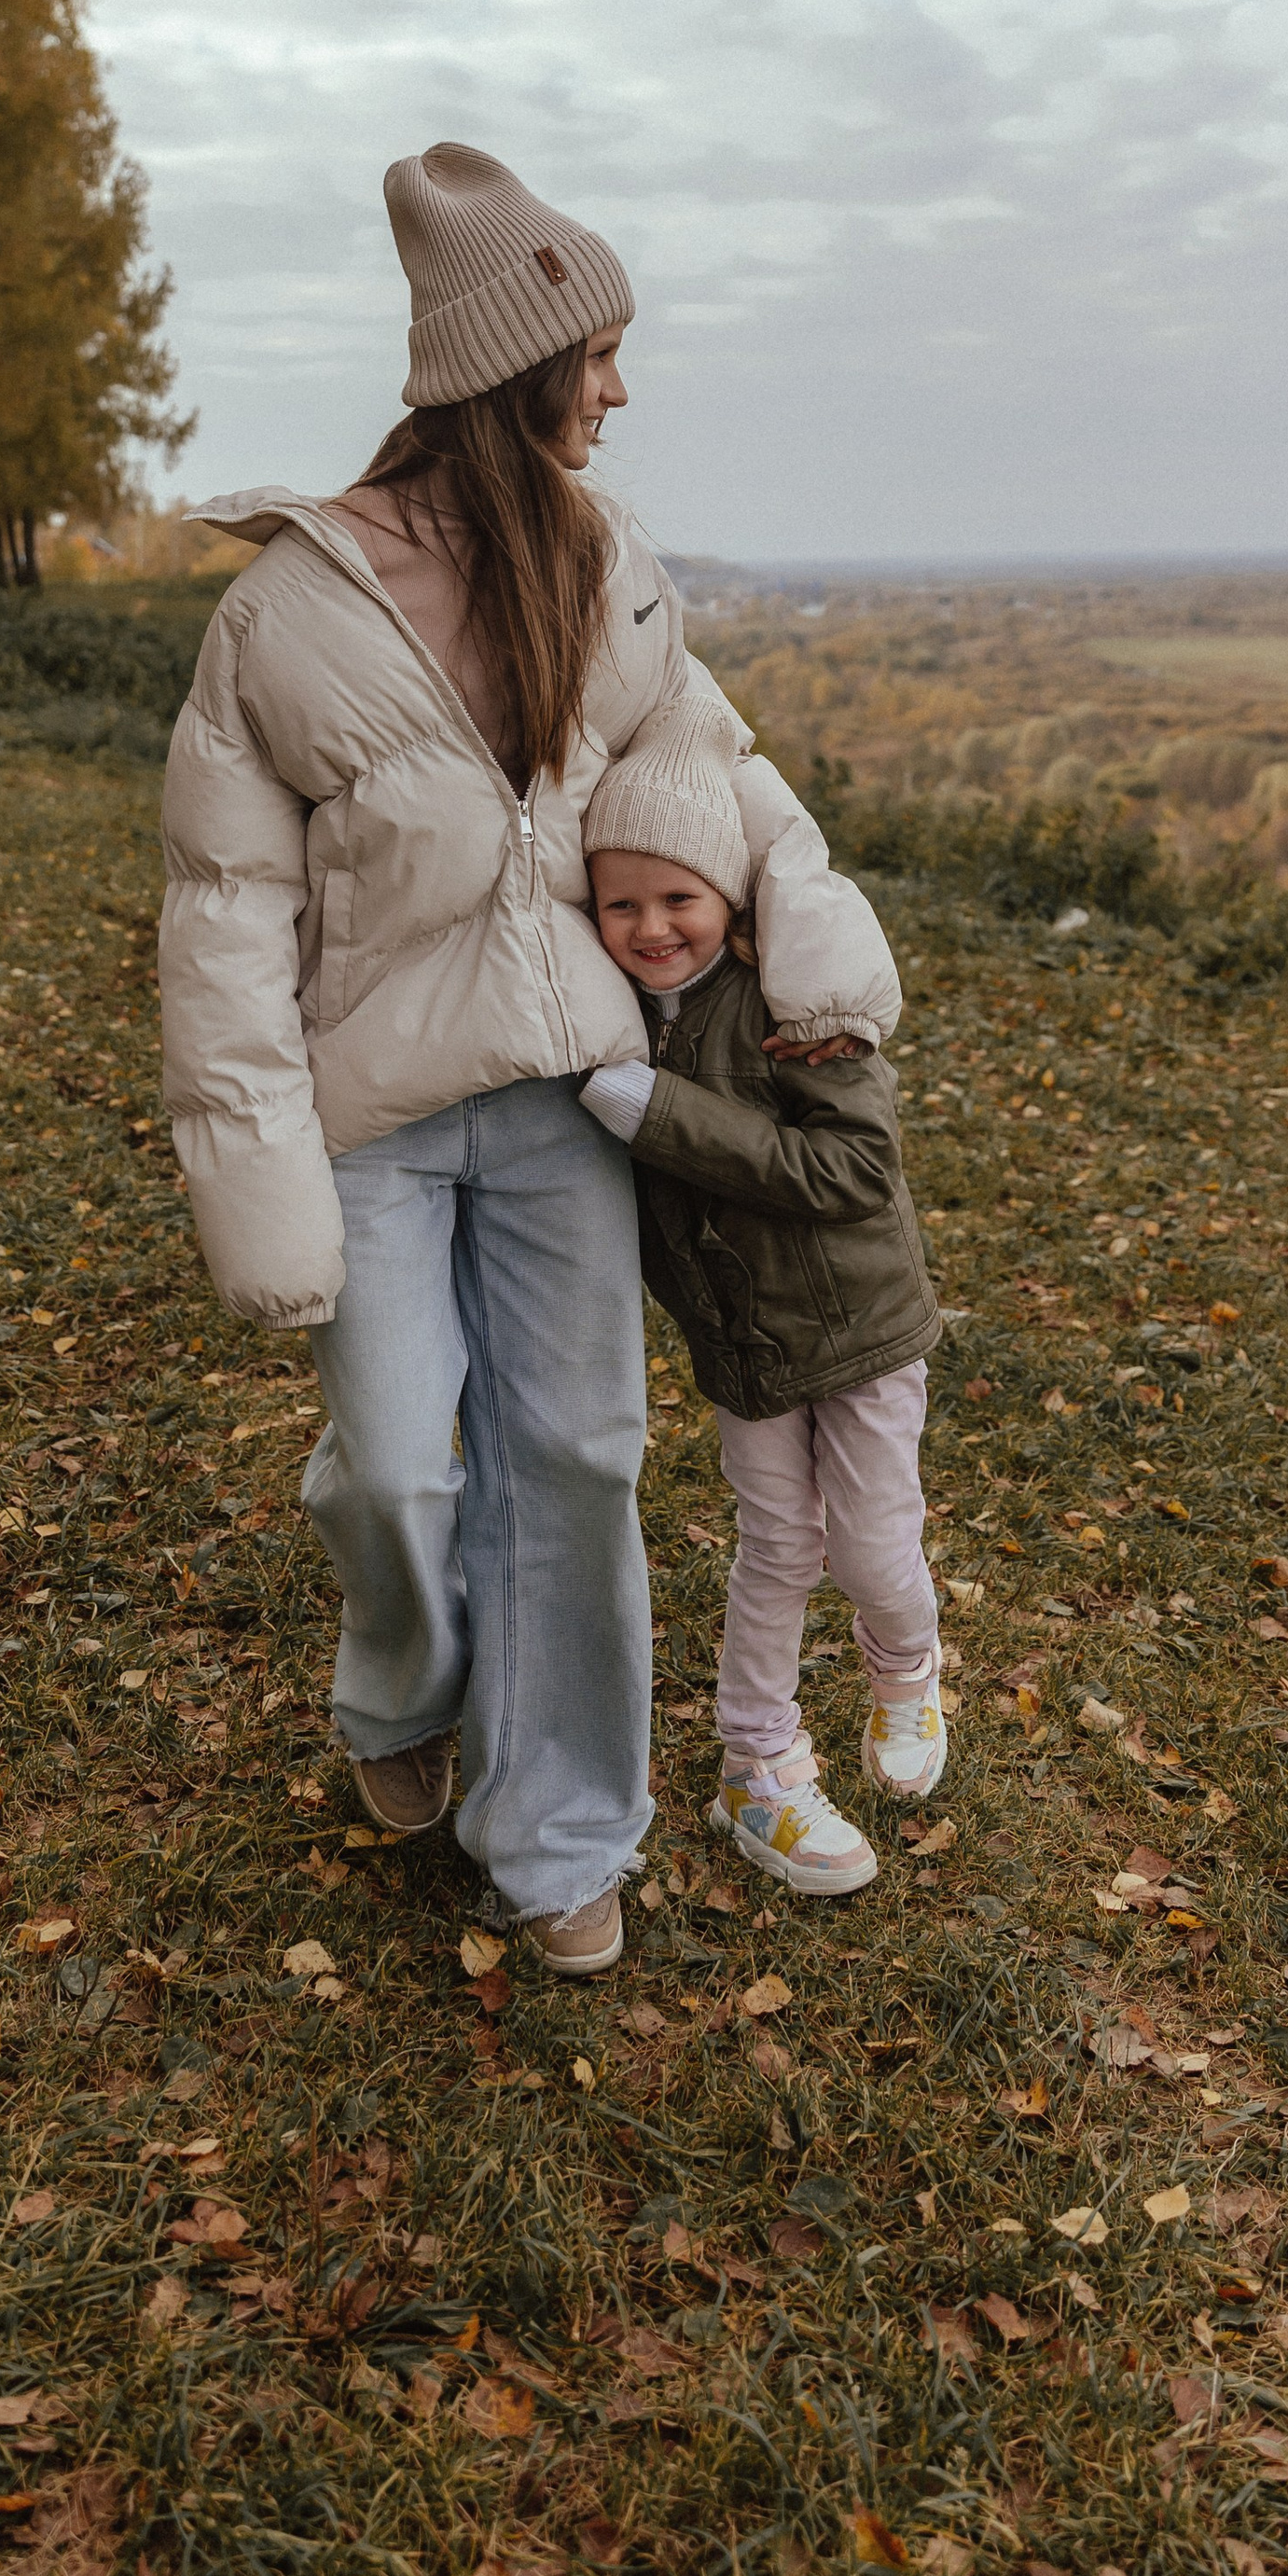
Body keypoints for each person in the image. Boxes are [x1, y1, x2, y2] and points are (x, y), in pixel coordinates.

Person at [157, 143, 899, 1977]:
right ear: (516, 362)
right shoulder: (286, 615)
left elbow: (722, 777)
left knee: (569, 1459)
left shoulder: (603, 565)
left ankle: (559, 1830)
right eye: (601, 354)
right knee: (402, 1467)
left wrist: (816, 937)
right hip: (376, 1117)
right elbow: (222, 913)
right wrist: (251, 1186)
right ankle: (399, 1682)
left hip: (572, 1098)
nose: (620, 392)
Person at [575, 693, 947, 1901]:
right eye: (620, 902)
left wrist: (661, 1114)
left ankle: (906, 1665)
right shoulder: (612, 1017)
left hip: (861, 1332)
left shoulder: (797, 1012)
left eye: (678, 897)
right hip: (743, 1345)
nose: (651, 926)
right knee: (777, 1545)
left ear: (729, 896)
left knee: (874, 1546)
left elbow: (852, 1172)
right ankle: (759, 1759)